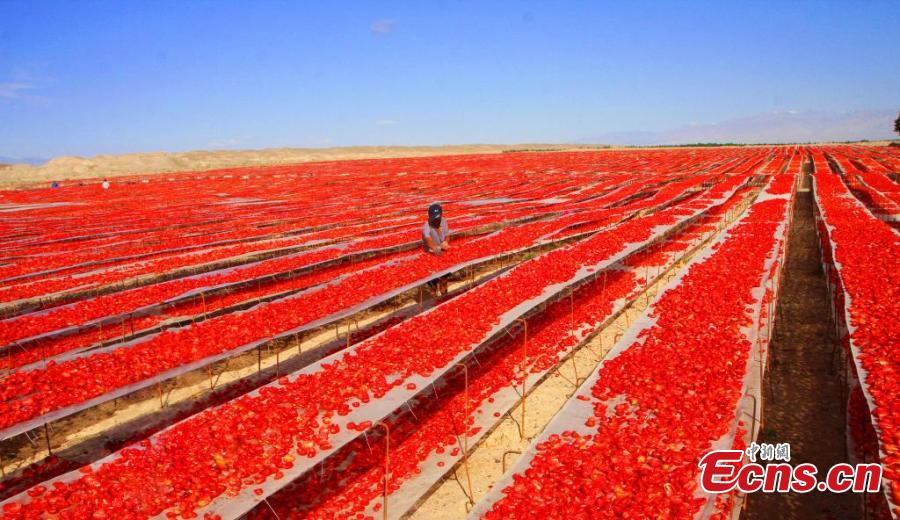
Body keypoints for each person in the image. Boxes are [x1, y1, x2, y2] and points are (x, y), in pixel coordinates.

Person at [422, 203, 451, 295]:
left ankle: (444, 293)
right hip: (431, 253)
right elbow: (429, 242)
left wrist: (446, 242)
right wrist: (437, 248)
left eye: (438, 218)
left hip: (442, 251)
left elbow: (447, 235)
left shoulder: (444, 221)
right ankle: (433, 292)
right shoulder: (426, 227)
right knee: (432, 281)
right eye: (434, 218)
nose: (436, 220)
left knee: (444, 278)